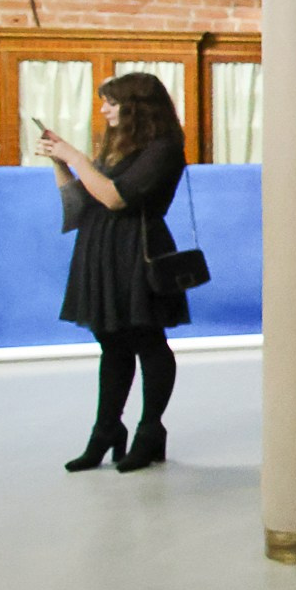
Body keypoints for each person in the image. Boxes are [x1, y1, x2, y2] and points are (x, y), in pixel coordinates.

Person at [41, 72, 192, 474]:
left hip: (136, 251)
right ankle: (106, 430)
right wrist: (61, 164)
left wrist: (75, 157)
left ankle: (149, 430)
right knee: (111, 341)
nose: (104, 109)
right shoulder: (116, 148)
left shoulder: (163, 149)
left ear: (136, 106)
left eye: (111, 101)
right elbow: (79, 204)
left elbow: (113, 198)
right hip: (101, 248)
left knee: (146, 339)